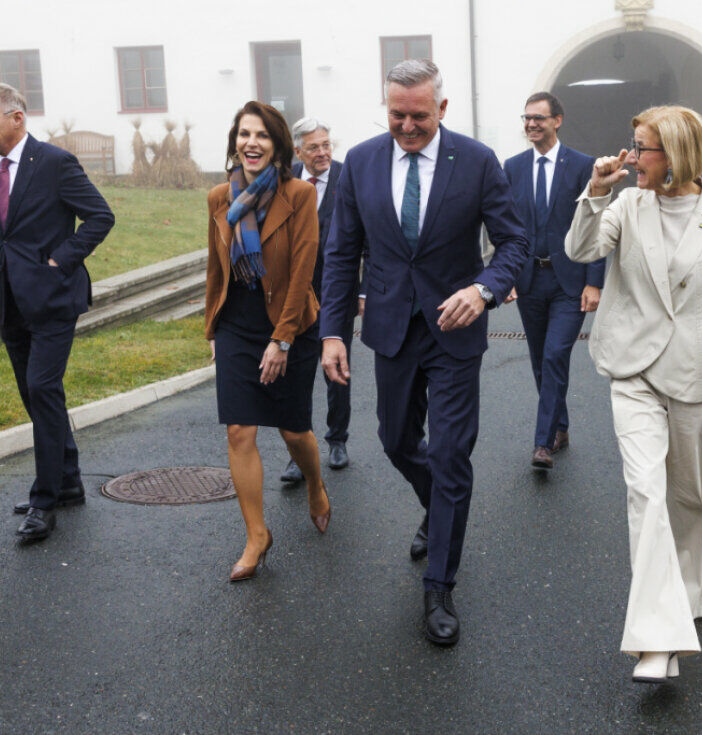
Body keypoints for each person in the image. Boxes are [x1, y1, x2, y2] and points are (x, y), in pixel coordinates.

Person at [319, 60, 528, 646]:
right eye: (396, 114)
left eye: (418, 115)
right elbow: (341, 253)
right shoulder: (360, 161)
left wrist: (483, 289)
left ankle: (439, 586)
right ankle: (438, 511)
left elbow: (513, 241)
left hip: (455, 329)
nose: (407, 126)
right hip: (390, 327)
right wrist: (332, 333)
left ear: (442, 108)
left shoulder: (478, 161)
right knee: (394, 442)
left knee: (453, 455)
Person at [565, 106, 702, 683]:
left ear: (673, 154)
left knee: (694, 500)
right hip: (634, 370)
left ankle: (691, 598)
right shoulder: (627, 203)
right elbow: (581, 251)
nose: (630, 156)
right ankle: (657, 637)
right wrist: (594, 192)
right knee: (645, 493)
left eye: (641, 147)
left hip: (700, 377)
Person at [205, 101, 331, 582]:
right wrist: (212, 327)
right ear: (235, 142)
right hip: (237, 323)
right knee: (239, 430)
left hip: (291, 323)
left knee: (293, 430)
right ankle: (257, 534)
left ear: (278, 147)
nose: (250, 143)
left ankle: (315, 485)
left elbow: (303, 270)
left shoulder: (298, 195)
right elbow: (216, 268)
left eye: (261, 135)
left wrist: (281, 340)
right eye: (243, 134)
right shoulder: (219, 197)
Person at [0, 84, 114, 541]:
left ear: (16, 118)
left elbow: (100, 216)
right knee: (37, 397)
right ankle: (67, 482)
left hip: (52, 297)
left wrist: (60, 259)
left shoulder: (54, 162)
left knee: (42, 388)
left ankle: (44, 501)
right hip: (9, 301)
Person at [503, 92, 603, 470]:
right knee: (540, 363)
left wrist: (595, 281)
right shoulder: (511, 167)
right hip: (529, 279)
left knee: (555, 354)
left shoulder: (581, 165)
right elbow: (506, 227)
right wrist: (506, 277)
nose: (531, 124)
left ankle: (542, 443)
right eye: (527, 118)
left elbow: (595, 223)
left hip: (569, 281)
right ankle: (560, 426)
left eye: (539, 118)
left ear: (557, 120)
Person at [279, 117, 357, 481]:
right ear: (298, 151)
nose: (323, 152)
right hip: (293, 295)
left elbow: (366, 236)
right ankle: (299, 452)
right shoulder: (283, 179)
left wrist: (362, 290)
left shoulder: (348, 177)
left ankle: (337, 439)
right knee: (296, 375)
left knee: (336, 370)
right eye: (314, 147)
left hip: (335, 294)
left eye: (327, 144)